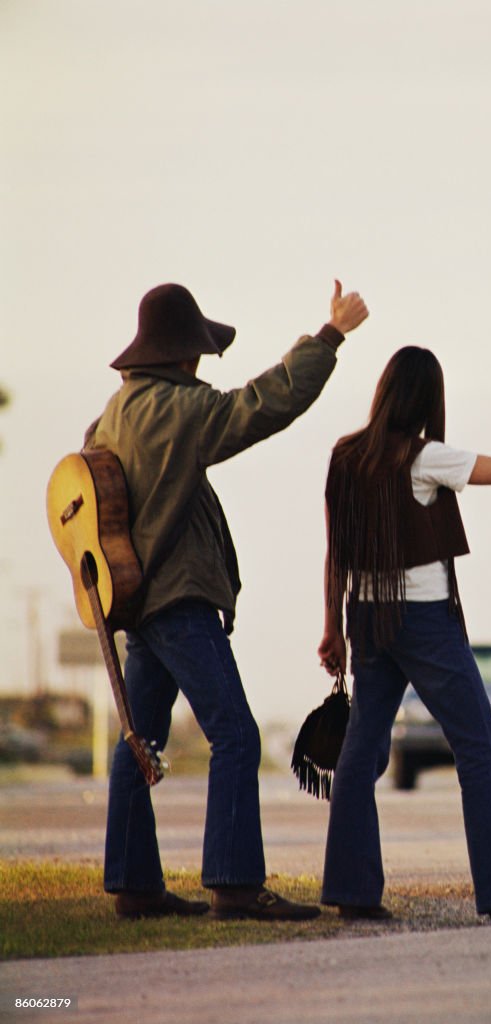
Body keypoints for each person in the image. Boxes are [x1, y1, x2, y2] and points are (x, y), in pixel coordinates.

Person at [87, 279, 368, 921]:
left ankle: (134, 885)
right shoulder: (180, 411)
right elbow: (265, 404)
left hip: (134, 602)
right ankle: (236, 886)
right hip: (176, 601)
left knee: (141, 738)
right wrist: (328, 337)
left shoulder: (112, 413)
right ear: (183, 355)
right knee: (237, 736)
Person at [317, 346, 491, 925]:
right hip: (423, 621)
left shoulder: (346, 456)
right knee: (480, 748)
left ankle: (352, 891)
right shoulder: (425, 457)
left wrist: (333, 626)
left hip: (366, 618)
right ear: (427, 399)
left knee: (360, 756)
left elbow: (337, 551)